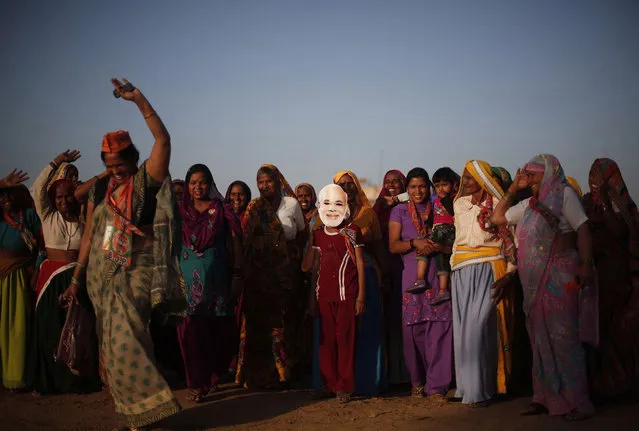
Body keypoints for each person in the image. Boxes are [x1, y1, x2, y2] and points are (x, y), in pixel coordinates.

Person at [62, 78, 185, 430]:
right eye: (110, 164)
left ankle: (154, 408)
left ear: (134, 159)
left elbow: (163, 140)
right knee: (112, 348)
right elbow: (89, 235)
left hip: (137, 270)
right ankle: (136, 415)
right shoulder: (102, 188)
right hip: (103, 276)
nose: (117, 170)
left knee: (128, 338)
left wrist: (139, 100)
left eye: (121, 163)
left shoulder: (146, 182)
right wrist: (77, 278)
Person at [491, 154, 596, 421]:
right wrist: (514, 188)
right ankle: (546, 398)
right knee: (539, 340)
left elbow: (582, 229)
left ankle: (577, 402)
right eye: (527, 175)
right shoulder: (529, 204)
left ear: (548, 173)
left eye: (534, 175)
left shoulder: (564, 195)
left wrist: (585, 265)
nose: (530, 180)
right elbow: (497, 218)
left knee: (564, 339)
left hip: (562, 278)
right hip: (534, 283)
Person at [26, 151, 101, 395]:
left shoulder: (83, 225)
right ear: (53, 199)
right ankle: (48, 382)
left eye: (68, 196)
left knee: (77, 332)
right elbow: (37, 188)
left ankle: (76, 383)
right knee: (49, 330)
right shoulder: (47, 216)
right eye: (59, 197)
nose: (64, 201)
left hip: (77, 281)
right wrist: (56, 161)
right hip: (50, 281)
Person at [450, 160, 518, 407]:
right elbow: (459, 238)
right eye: (464, 177)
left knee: (481, 329)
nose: (465, 182)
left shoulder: (500, 206)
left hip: (489, 266)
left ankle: (485, 388)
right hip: (460, 270)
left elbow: (512, 239)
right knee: (464, 332)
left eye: (470, 177)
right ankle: (468, 389)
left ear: (482, 179)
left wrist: (510, 271)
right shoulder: (459, 203)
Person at [236, 164, 306, 389]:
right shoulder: (253, 207)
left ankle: (284, 373)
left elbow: (301, 236)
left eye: (269, 181)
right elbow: (245, 241)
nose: (265, 185)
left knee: (284, 324)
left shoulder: (291, 204)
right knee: (260, 327)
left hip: (285, 276)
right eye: (261, 182)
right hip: (258, 278)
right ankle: (259, 377)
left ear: (278, 181)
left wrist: (292, 264)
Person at [177, 164, 242, 403]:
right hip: (186, 279)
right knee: (190, 331)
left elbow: (236, 240)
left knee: (216, 331)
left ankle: (212, 377)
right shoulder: (179, 210)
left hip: (217, 279)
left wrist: (237, 274)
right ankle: (196, 382)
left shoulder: (222, 209)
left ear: (210, 183)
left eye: (202, 182)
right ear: (187, 185)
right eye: (192, 182)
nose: (197, 187)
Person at [388, 167, 453, 402]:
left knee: (439, 329)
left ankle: (437, 387)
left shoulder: (439, 206)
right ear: (407, 189)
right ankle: (418, 380)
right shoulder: (399, 211)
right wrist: (415, 242)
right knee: (413, 332)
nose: (418, 191)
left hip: (438, 273)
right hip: (412, 275)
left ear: (429, 187)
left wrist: (438, 247)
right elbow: (393, 246)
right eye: (413, 187)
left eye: (422, 186)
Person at [583, 158, 639, 401]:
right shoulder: (586, 202)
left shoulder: (620, 203)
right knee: (599, 330)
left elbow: (620, 233)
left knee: (618, 330)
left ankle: (623, 381)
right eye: (591, 173)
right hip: (596, 275)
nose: (593, 179)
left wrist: (604, 202)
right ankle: (606, 382)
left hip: (618, 276)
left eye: (599, 175)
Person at [303, 184, 366, 403]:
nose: (332, 209)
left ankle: (344, 387)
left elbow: (359, 264)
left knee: (345, 340)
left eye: (338, 203)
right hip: (323, 297)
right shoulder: (317, 235)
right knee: (326, 341)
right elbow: (314, 269)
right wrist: (312, 298)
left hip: (347, 296)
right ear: (320, 206)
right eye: (327, 204)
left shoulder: (352, 231)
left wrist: (360, 297)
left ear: (345, 206)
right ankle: (328, 384)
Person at [333, 170, 387, 396]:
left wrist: (384, 274)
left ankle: (369, 382)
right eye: (341, 184)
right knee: (343, 331)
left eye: (350, 183)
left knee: (368, 329)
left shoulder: (368, 214)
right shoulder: (329, 213)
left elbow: (376, 248)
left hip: (366, 274)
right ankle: (343, 382)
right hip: (338, 277)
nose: (347, 188)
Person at [0, 170, 41, 391]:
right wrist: (2, 183)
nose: (6, 200)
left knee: (19, 328)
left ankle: (16, 376)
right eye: (2, 195)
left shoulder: (30, 217)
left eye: (10, 195)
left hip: (22, 279)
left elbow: (42, 244)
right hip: (2, 278)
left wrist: (35, 269)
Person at [372, 169, 410, 385]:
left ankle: (408, 373)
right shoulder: (378, 208)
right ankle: (392, 374)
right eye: (389, 182)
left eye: (397, 181)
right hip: (387, 269)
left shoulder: (411, 205)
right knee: (390, 321)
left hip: (408, 266)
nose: (393, 184)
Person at [406, 168, 459, 308]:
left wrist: (447, 197)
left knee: (425, 246)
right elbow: (433, 218)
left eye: (444, 185)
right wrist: (427, 222)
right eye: (437, 185)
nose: (440, 189)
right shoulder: (435, 201)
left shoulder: (454, 200)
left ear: (453, 185)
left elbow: (453, 212)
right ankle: (442, 289)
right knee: (440, 258)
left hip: (447, 230)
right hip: (438, 229)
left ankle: (420, 278)